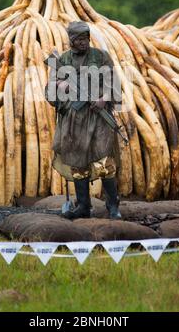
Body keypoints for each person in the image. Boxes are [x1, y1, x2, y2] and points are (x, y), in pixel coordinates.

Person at [45, 21, 122, 220]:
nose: (83, 42)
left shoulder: (100, 56)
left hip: (98, 119)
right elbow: (51, 92)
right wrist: (63, 86)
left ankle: (113, 206)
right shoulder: (62, 60)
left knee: (105, 162)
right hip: (74, 121)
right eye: (79, 39)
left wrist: (103, 99)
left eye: (86, 38)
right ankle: (83, 207)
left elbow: (114, 82)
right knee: (78, 165)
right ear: (71, 40)